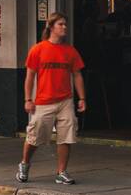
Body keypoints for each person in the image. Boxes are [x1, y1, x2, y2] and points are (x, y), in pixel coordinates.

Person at [18, 11, 86, 185]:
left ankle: (61, 172)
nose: (64, 27)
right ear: (51, 27)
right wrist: (28, 99)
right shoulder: (38, 49)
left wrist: (82, 98)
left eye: (65, 24)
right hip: (43, 101)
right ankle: (25, 164)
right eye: (60, 24)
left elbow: (77, 75)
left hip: (65, 101)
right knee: (34, 137)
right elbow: (30, 76)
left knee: (66, 137)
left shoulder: (70, 51)